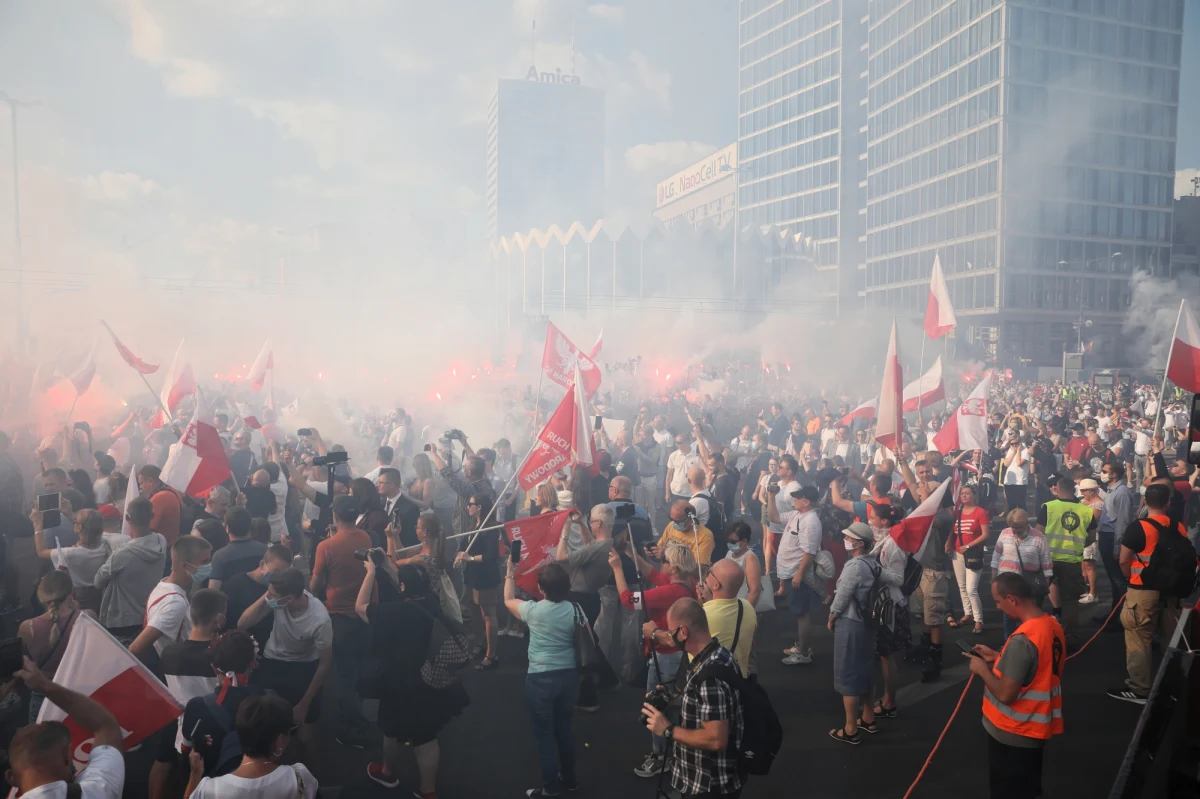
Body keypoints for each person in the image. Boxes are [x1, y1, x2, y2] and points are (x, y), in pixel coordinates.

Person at [357, 560, 469, 797]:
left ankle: (388, 772)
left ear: (404, 586)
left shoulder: (394, 612)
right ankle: (428, 791)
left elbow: (361, 606)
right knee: (426, 736)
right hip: (431, 676)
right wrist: (386, 564)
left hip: (400, 680)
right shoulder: (431, 601)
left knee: (391, 728)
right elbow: (409, 581)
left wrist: (370, 572)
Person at [965, 572, 1064, 799]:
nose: (998, 607)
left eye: (998, 601)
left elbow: (1006, 694)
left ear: (1012, 599)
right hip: (1035, 730)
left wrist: (982, 669)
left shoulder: (1022, 640)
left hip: (1013, 731)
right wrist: (1000, 656)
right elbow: (1036, 665)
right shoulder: (1051, 625)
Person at [640, 597, 744, 799]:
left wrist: (667, 729)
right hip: (713, 779)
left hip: (708, 784)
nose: (670, 636)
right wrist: (669, 697)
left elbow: (716, 739)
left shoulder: (709, 677)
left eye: (671, 631)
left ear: (683, 631)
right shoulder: (718, 654)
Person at [612, 542, 697, 778]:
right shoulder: (683, 584)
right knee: (670, 703)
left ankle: (660, 755)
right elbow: (653, 574)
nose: (662, 564)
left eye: (666, 561)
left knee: (657, 705)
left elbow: (629, 600)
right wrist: (631, 552)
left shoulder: (671, 592)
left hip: (665, 656)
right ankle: (673, 751)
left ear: (674, 567)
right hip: (673, 655)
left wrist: (618, 569)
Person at [238, 567, 333, 762]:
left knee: (304, 737)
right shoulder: (277, 602)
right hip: (273, 663)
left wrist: (304, 703)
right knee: (264, 727)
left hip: (304, 668)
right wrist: (268, 595)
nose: (268, 598)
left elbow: (325, 664)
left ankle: (311, 782)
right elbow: (242, 624)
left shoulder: (320, 620)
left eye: (272, 595)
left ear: (288, 598)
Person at [505, 561, 580, 798]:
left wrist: (510, 571)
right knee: (564, 730)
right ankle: (569, 780)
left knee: (544, 736)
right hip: (568, 676)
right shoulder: (575, 609)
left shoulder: (533, 610)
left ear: (540, 588)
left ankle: (550, 788)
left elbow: (507, 600)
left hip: (540, 679)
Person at [3, 656, 126, 798]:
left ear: (11, 777)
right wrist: (43, 685)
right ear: (67, 757)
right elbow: (105, 726)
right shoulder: (99, 791)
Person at [1109, 484, 1187, 704]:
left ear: (1145, 501)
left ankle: (1140, 689)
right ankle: (1172, 685)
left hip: (1142, 591)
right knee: (1170, 641)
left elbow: (1124, 559)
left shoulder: (1139, 527)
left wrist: (1130, 578)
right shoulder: (1178, 527)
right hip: (1171, 592)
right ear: (1168, 503)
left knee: (1138, 639)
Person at [308, 495, 372, 749]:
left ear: (335, 516)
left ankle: (356, 729)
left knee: (345, 675)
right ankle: (360, 714)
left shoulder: (326, 546)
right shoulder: (366, 538)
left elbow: (314, 584)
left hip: (339, 616)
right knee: (357, 669)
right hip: (364, 613)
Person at [150, 589, 225, 799]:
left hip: (181, 730)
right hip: (215, 733)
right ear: (219, 619)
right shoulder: (219, 657)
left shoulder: (169, 654)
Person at [828, 522, 900, 744]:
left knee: (848, 673)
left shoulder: (854, 566)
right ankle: (868, 718)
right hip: (868, 624)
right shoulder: (873, 564)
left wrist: (831, 616)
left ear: (859, 543)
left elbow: (842, 596)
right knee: (866, 669)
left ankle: (850, 728)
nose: (845, 540)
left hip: (851, 623)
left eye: (849, 537)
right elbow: (897, 579)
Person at [183, 694, 318, 798]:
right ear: (279, 740)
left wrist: (195, 773)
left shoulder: (210, 790)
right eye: (290, 732)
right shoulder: (299, 778)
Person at [179, 629, 268, 778]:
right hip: (262, 782)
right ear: (252, 663)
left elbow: (187, 753)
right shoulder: (268, 699)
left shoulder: (196, 707)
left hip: (213, 787)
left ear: (214, 667)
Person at [18, 571, 96, 723]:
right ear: (72, 593)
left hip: (44, 695)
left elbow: (23, 662)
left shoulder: (28, 627)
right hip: (79, 694)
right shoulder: (88, 617)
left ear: (41, 596)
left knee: (43, 744)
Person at [129, 536, 213, 667]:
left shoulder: (163, 585)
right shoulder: (175, 604)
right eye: (204, 561)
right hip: (173, 672)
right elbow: (136, 648)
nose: (208, 566)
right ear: (184, 565)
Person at [94, 496, 168, 644]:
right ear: (152, 517)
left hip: (122, 618)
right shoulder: (161, 541)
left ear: (127, 518)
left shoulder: (123, 553)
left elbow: (97, 581)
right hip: (148, 614)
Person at [766, 484, 823, 666]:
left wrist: (799, 574)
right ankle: (802, 646)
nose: (794, 500)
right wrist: (771, 496)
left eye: (797, 498)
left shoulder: (810, 521)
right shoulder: (797, 515)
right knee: (799, 612)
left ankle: (804, 653)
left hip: (798, 574)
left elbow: (810, 551)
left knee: (802, 613)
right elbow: (773, 517)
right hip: (791, 572)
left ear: (806, 502)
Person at [1038, 476, 1096, 646]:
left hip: (1048, 559)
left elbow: (1038, 532)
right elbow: (1091, 537)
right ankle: (1070, 634)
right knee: (1070, 600)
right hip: (1072, 560)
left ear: (1057, 488)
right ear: (1074, 489)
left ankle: (1038, 631)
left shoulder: (1048, 507)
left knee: (1038, 595)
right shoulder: (1086, 511)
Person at [991, 509, 1054, 638]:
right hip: (1007, 583)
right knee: (1009, 616)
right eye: (1013, 527)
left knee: (1032, 615)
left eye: (1019, 527)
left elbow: (1046, 562)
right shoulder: (1004, 534)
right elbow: (996, 557)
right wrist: (994, 579)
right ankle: (1009, 642)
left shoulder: (1039, 537)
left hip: (1029, 584)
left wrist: (1045, 585)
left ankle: (1032, 640)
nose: (1015, 531)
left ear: (1026, 523)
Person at [32, 507, 109, 612]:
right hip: (100, 596)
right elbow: (86, 527)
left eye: (76, 521)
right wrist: (70, 515)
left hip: (79, 600)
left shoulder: (71, 554)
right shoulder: (105, 545)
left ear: (78, 528)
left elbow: (41, 551)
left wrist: (38, 525)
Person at [457, 494, 502, 670]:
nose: (467, 507)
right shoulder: (472, 524)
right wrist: (460, 554)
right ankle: (479, 642)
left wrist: (470, 558)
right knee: (475, 611)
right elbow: (463, 544)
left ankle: (491, 654)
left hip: (486, 578)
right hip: (472, 577)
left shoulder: (490, 528)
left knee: (488, 615)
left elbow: (492, 556)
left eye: (470, 504)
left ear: (480, 507)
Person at [220, 542, 293, 646]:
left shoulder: (283, 587)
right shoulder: (235, 585)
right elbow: (232, 625)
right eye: (275, 572)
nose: (278, 578)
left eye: (283, 574)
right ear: (262, 564)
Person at [393, 513, 461, 622]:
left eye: (417, 527)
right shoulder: (430, 547)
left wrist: (408, 560)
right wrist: (396, 536)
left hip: (425, 604)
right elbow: (403, 554)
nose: (415, 530)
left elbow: (394, 563)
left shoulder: (425, 558)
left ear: (424, 532)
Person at [697, 558, 757, 678]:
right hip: (740, 679)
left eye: (709, 572)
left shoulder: (703, 616)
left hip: (713, 684)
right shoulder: (747, 606)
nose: (706, 574)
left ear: (716, 584)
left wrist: (654, 632)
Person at [948, 485, 989, 634]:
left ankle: (979, 620)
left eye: (967, 493)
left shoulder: (980, 512)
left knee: (972, 589)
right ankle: (968, 613)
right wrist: (950, 544)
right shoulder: (957, 513)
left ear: (974, 495)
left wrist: (969, 545)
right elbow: (952, 532)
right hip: (957, 553)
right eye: (962, 494)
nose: (964, 496)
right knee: (962, 586)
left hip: (974, 554)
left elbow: (985, 534)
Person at [208, 508, 267, 592]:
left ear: (227, 528)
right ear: (250, 526)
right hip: (261, 602)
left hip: (231, 603)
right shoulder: (265, 550)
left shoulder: (220, 556)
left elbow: (213, 591)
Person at [723, 521, 771, 615]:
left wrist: (744, 613)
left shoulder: (750, 558)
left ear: (744, 541)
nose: (729, 544)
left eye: (733, 542)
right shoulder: (729, 553)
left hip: (743, 605)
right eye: (728, 541)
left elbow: (755, 590)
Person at [655, 499, 714, 572]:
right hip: (665, 578)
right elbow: (659, 553)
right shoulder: (671, 526)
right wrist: (653, 553)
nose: (674, 523)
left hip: (685, 582)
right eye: (671, 519)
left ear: (690, 520)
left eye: (678, 521)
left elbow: (699, 569)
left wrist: (667, 557)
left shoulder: (705, 535)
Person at [138, 464, 186, 545]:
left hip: (161, 547)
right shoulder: (172, 490)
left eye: (141, 483)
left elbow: (148, 527)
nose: (141, 487)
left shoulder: (159, 498)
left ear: (150, 480)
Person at [1078, 478, 1106, 605]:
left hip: (1092, 538)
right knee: (1084, 565)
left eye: (1084, 491)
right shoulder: (1084, 502)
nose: (1083, 494)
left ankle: (1093, 593)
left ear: (1092, 490)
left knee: (1089, 565)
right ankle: (1087, 590)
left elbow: (1089, 520)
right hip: (1083, 537)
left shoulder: (1098, 504)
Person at [378, 467, 421, 548]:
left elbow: (410, 539)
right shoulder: (379, 503)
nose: (378, 485)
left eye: (381, 483)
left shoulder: (410, 508)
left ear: (392, 485)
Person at [349, 477, 388, 548]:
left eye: (351, 493)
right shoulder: (357, 512)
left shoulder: (378, 518)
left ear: (360, 495)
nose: (349, 496)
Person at [666, 434, 701, 506]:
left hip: (692, 493)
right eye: (676, 442)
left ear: (688, 442)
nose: (677, 444)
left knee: (690, 516)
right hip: (676, 493)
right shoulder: (673, 455)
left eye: (679, 442)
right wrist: (667, 492)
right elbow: (669, 475)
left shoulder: (697, 456)